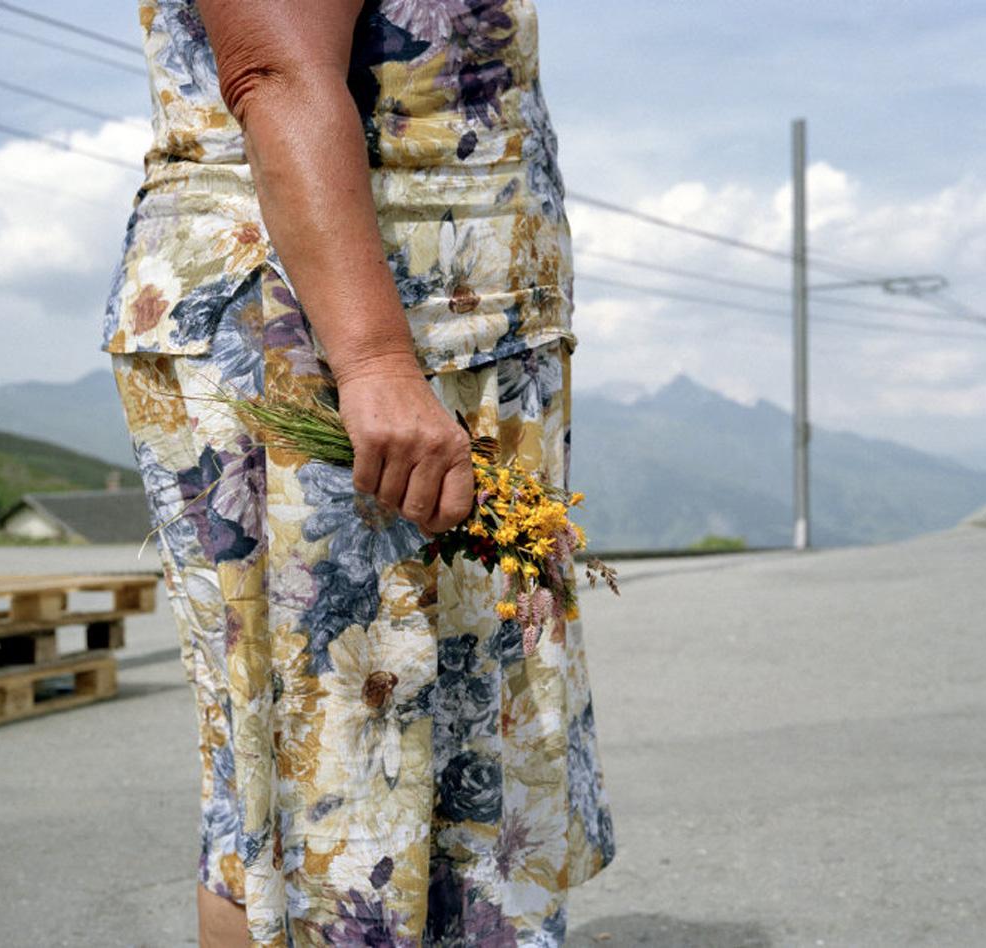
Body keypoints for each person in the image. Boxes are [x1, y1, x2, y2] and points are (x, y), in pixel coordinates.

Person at [102, 1, 615, 944]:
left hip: (456, 331)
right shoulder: (367, 352)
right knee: (327, 795)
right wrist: (373, 357)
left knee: (418, 785)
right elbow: (279, 71)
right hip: (329, 335)